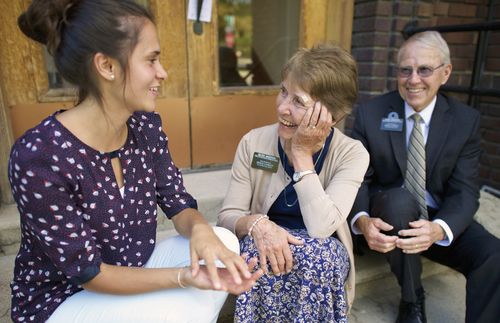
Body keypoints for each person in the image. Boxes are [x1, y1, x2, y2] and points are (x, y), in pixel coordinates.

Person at [9, 1, 263, 322]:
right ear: (107, 66)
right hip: (66, 297)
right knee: (178, 307)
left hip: (133, 266)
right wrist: (184, 276)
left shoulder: (144, 125)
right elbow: (90, 273)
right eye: (151, 59)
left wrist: (200, 230)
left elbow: (177, 203)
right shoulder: (40, 155)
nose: (163, 73)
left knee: (221, 243)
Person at [349, 31, 500, 323]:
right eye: (406, 70)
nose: (413, 79)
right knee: (399, 201)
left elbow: (465, 191)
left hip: (437, 217)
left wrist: (440, 228)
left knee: (493, 254)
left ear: (445, 73)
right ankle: (412, 298)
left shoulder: (465, 121)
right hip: (390, 218)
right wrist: (363, 220)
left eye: (424, 70)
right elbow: (356, 180)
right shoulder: (371, 114)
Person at [217, 44, 370, 322]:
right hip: (265, 241)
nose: (282, 108)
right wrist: (258, 224)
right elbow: (228, 216)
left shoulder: (353, 154)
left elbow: (323, 227)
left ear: (332, 116)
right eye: (283, 91)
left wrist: (301, 154)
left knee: (317, 258)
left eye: (298, 102)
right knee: (259, 252)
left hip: (322, 249)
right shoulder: (254, 142)